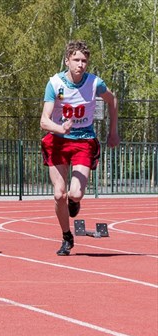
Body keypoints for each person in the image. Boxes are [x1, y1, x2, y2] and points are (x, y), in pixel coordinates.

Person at [40, 40, 119, 256]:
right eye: (76, 60)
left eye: (84, 61)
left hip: (84, 140)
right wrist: (60, 128)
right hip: (58, 140)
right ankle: (67, 236)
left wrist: (113, 131)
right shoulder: (55, 84)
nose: (80, 64)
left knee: (74, 193)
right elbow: (44, 121)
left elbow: (112, 101)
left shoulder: (95, 83)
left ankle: (75, 202)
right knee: (59, 195)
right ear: (67, 60)